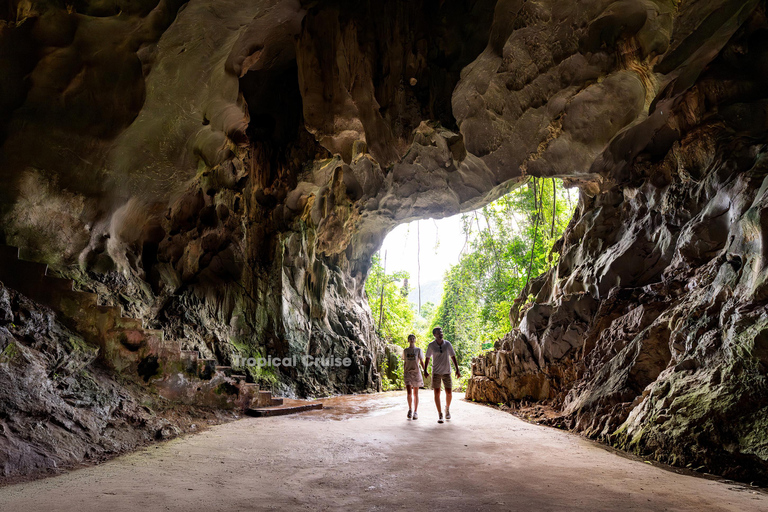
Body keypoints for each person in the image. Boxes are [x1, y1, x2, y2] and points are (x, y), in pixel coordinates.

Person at [424, 326, 461, 424]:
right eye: (438, 333)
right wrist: (425, 370)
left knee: (449, 393)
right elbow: (427, 358)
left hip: (446, 372)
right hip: (436, 372)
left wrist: (457, 369)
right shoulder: (431, 345)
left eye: (441, 332)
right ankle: (440, 414)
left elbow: (453, 357)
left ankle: (447, 409)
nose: (441, 334)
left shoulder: (447, 344)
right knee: (437, 393)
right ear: (434, 335)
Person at [402, 334, 426, 420]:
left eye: (413, 338)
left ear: (415, 340)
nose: (412, 340)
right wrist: (404, 371)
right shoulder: (405, 351)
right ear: (408, 340)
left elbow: (421, 361)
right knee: (409, 393)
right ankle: (410, 409)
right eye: (410, 339)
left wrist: (425, 370)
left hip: (416, 373)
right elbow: (405, 362)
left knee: (416, 393)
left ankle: (416, 411)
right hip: (408, 373)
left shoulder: (418, 350)